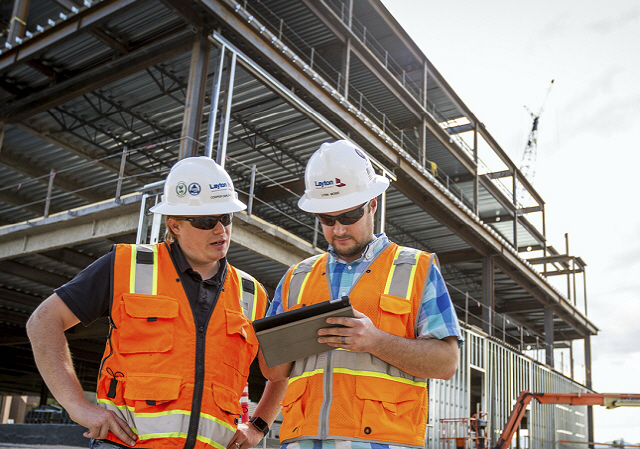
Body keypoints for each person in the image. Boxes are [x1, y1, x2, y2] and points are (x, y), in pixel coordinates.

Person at [27, 157, 286, 449]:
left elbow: (281, 370)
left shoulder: (252, 294)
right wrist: (77, 407)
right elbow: (43, 322)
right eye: (206, 221)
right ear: (174, 225)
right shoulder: (126, 265)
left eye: (226, 217)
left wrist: (259, 425)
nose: (221, 230)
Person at [259, 140, 463, 449]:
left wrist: (375, 341)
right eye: (327, 220)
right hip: (302, 441)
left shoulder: (415, 268)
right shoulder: (297, 277)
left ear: (372, 204)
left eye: (348, 216)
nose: (338, 230)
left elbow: (446, 363)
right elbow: (272, 371)